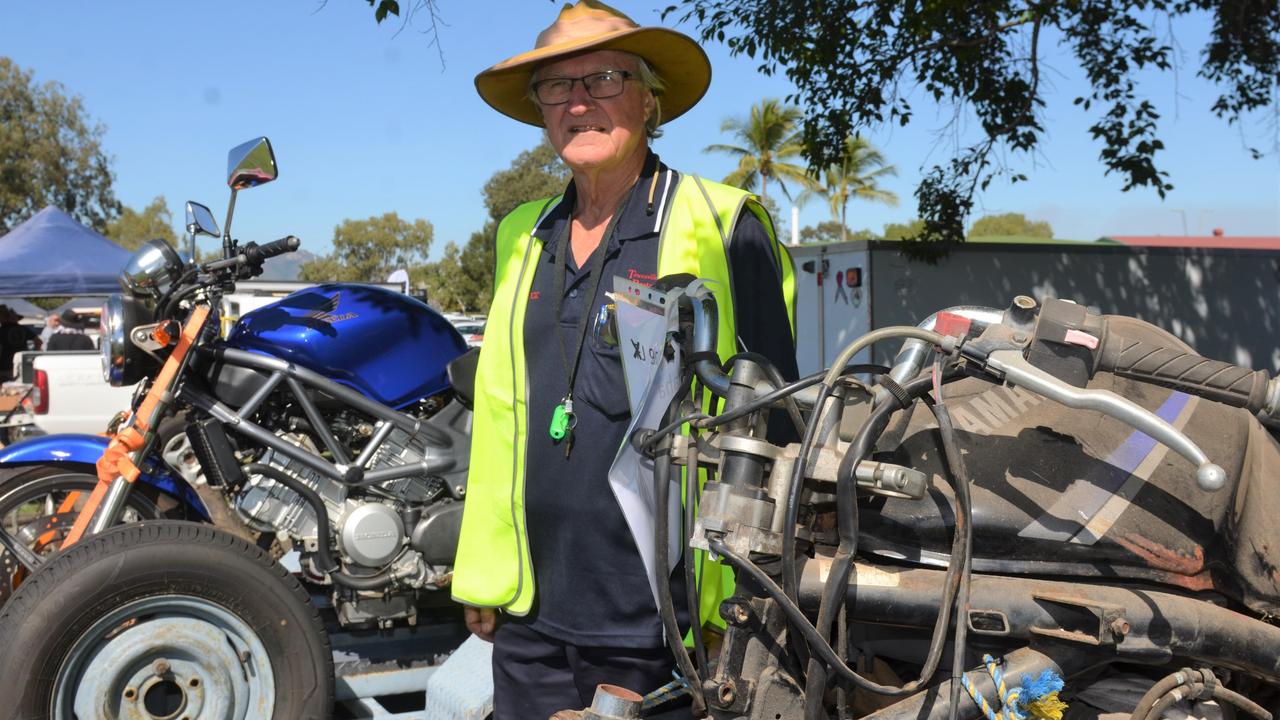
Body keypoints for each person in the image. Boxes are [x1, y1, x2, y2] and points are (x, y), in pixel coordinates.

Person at [451, 2, 799, 716]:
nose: (579, 102)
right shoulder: (523, 232)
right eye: (557, 86)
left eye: (604, 79)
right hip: (532, 610)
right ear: (542, 110)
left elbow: (775, 422)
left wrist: (743, 602)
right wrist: (484, 578)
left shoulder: (725, 223)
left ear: (649, 99)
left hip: (668, 619)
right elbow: (503, 412)